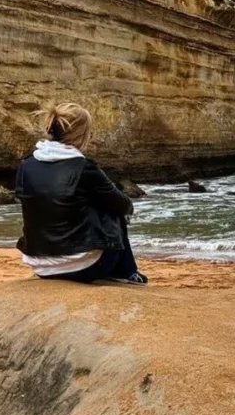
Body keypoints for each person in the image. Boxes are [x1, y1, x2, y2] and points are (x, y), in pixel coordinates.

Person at [15, 102, 148, 285]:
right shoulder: (84, 167)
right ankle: (126, 271)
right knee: (113, 207)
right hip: (85, 266)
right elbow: (123, 205)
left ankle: (124, 271)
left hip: (41, 266)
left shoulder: (26, 165)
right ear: (81, 134)